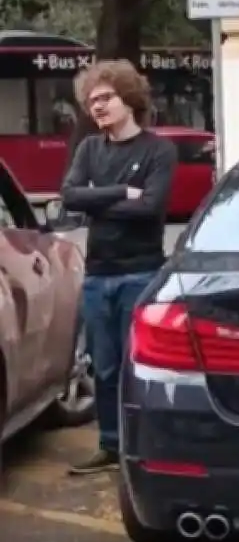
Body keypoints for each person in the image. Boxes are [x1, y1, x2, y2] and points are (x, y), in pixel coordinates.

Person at [61, 60, 177, 474]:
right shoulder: (90, 149)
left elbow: (151, 207)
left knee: (138, 367)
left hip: (141, 273)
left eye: (105, 97)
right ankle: (110, 446)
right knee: (104, 365)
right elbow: (70, 196)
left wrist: (100, 200)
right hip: (98, 275)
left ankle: (141, 448)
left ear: (129, 98)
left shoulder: (159, 150)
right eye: (91, 101)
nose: (97, 107)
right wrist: (122, 192)